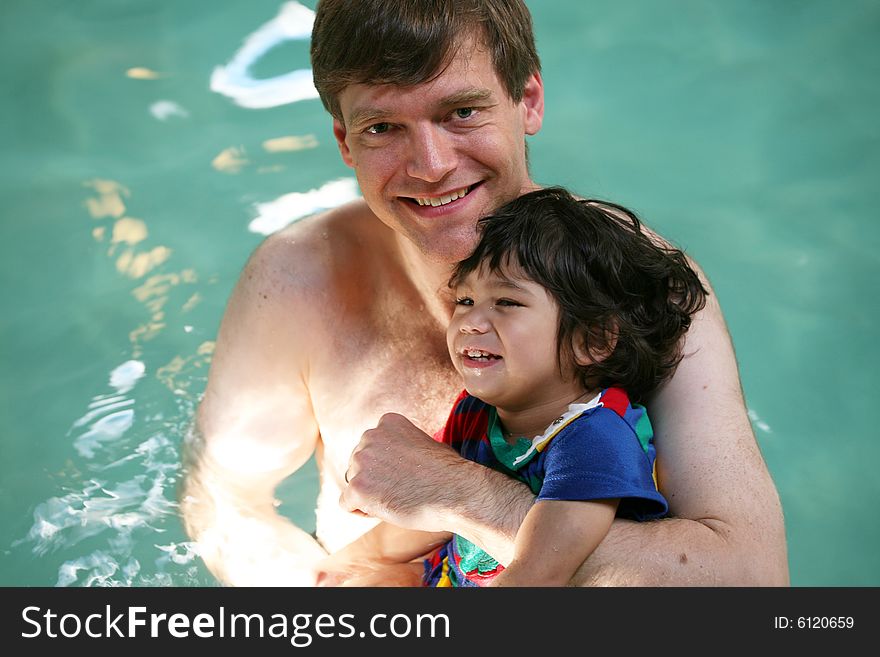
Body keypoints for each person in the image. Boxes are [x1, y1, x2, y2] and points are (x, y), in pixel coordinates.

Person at [180, 0, 789, 586]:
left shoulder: (633, 282)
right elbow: (227, 499)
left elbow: (752, 584)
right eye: (382, 127)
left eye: (461, 113)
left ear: (527, 100)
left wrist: (458, 494)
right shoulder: (297, 281)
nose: (430, 165)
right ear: (344, 141)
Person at [316, 186, 704, 587]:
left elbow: (543, 571)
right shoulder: (475, 412)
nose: (470, 321)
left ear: (592, 341)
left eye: (506, 302)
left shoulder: (595, 435)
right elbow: (434, 512)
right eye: (465, 300)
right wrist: (341, 565)